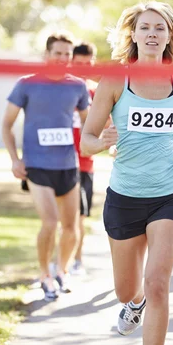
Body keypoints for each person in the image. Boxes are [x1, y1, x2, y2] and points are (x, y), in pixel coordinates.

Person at [81, 1, 173, 345]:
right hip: (125, 198)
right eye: (145, 27)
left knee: (158, 284)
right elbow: (87, 140)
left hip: (169, 194)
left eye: (160, 28)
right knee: (129, 290)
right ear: (133, 34)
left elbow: (171, 128)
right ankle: (133, 306)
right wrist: (105, 141)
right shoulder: (115, 79)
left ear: (170, 36)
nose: (152, 34)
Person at [2, 34, 90, 301]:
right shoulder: (26, 84)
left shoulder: (78, 87)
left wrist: (93, 142)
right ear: (46, 54)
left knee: (72, 227)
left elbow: (89, 123)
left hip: (69, 165)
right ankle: (45, 275)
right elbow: (7, 125)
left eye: (67, 54)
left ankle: (61, 271)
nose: (63, 59)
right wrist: (15, 159)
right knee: (50, 223)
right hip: (37, 165)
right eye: (58, 53)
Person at [71, 42, 98, 275]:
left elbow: (110, 121)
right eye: (77, 64)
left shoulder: (98, 91)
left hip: (85, 163)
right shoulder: (61, 88)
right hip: (57, 161)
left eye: (87, 64)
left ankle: (76, 261)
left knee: (79, 215)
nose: (82, 68)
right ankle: (57, 264)